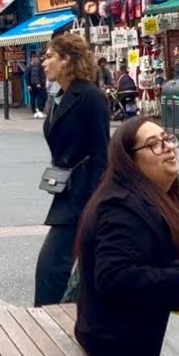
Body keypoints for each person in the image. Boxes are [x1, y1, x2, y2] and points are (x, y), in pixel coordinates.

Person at [73, 117, 179, 356]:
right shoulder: (121, 208)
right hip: (125, 342)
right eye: (153, 145)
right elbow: (115, 278)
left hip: (139, 328)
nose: (167, 147)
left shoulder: (158, 197)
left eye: (167, 138)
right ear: (130, 162)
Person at [34, 34, 110, 306]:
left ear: (67, 60)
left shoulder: (91, 97)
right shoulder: (58, 96)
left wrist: (97, 201)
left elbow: (103, 153)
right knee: (66, 268)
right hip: (66, 191)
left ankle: (45, 319)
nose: (44, 63)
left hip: (84, 194)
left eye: (50, 56)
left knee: (52, 266)